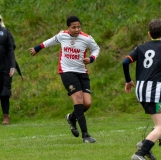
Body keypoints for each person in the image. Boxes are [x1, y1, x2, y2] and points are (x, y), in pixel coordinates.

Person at [30, 15, 100, 143]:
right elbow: (50, 41)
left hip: (82, 72)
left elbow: (96, 48)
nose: (77, 29)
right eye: (74, 27)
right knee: (78, 99)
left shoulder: (86, 38)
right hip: (67, 71)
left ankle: (72, 117)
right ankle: (86, 135)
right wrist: (37, 48)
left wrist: (91, 59)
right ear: (68, 28)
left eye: (79, 27)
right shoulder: (62, 35)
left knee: (87, 103)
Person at [122, 19, 161, 160]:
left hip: (141, 89)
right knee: (160, 126)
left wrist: (128, 81)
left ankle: (145, 144)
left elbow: (125, 62)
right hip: (155, 91)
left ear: (149, 33)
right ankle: (139, 154)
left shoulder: (141, 48)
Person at [0, 15, 16, 124]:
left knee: (5, 92)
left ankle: (6, 116)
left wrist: (12, 66)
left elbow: (11, 49)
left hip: (4, 67)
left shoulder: (5, 32)